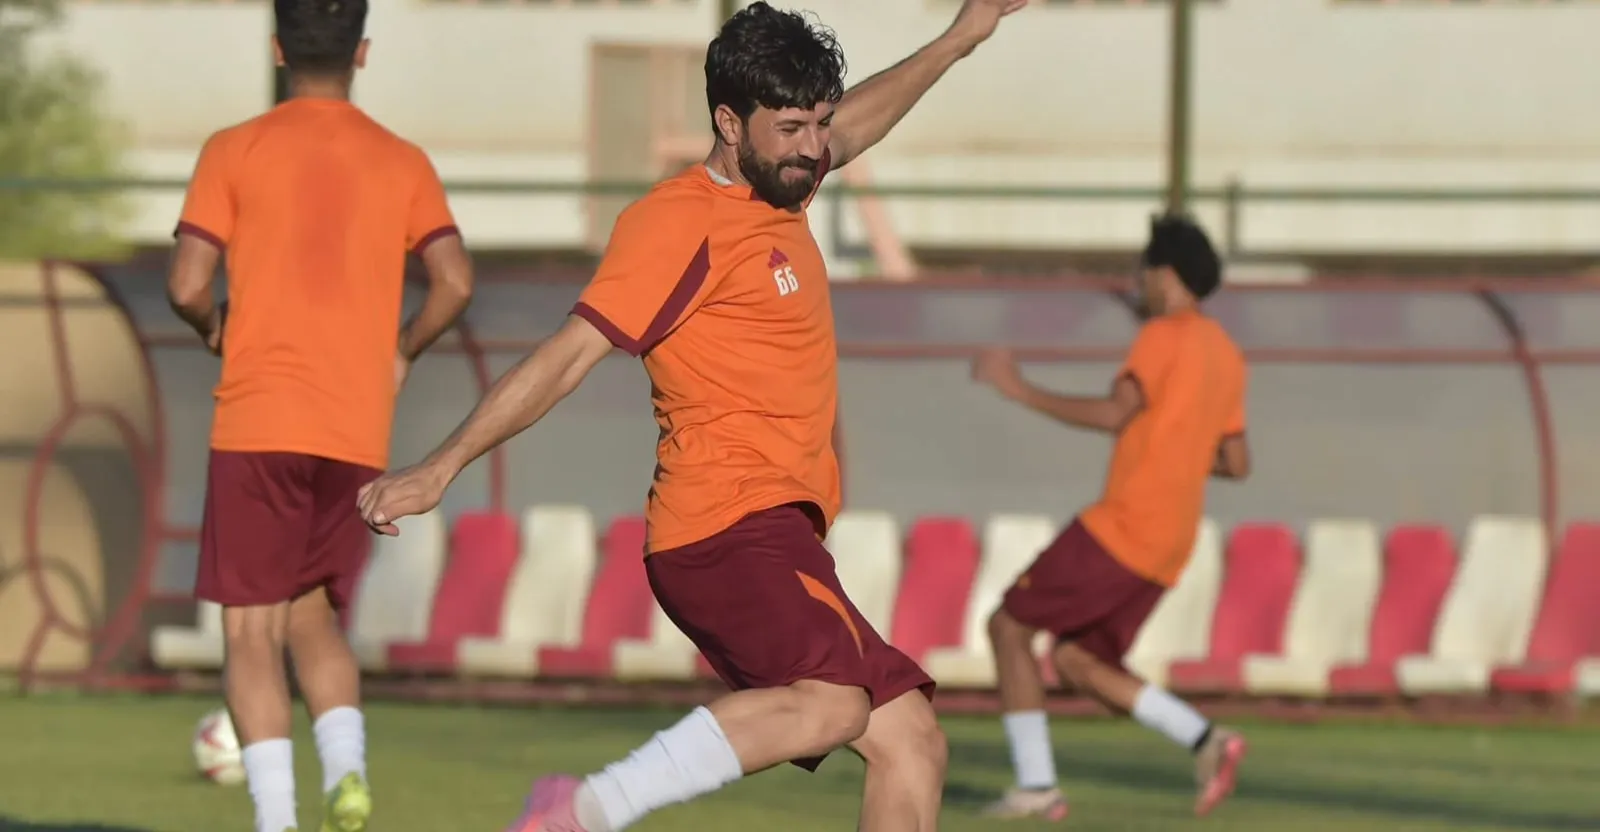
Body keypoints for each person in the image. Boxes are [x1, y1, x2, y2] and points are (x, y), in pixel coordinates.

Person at [353, 2, 1023, 829]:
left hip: (773, 526)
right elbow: (568, 354)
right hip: (721, 528)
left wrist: (961, 37)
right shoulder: (675, 222)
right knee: (833, 702)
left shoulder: (782, 184)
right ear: (729, 125)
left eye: (818, 123)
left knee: (911, 742)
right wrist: (440, 467)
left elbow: (857, 125)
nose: (813, 146)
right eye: (792, 129)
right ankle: (581, 811)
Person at [165, 1, 474, 829]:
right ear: (361, 52)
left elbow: (187, 283)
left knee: (249, 636)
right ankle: (349, 775)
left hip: (258, 421)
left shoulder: (233, 149)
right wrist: (402, 350)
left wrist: (214, 328)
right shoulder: (402, 160)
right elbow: (455, 281)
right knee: (312, 616)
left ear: (277, 49)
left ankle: (277, 820)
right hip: (353, 428)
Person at [970, 214, 1252, 822]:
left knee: (1008, 627)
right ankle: (1208, 740)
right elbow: (1236, 462)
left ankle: (1037, 786)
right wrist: (1178, 446)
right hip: (1170, 545)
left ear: (1165, 275)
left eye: (1143, 271)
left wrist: (1019, 388)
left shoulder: (1163, 334)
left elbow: (1115, 413)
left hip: (1124, 527)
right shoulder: (1227, 355)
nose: (1138, 282)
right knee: (1079, 662)